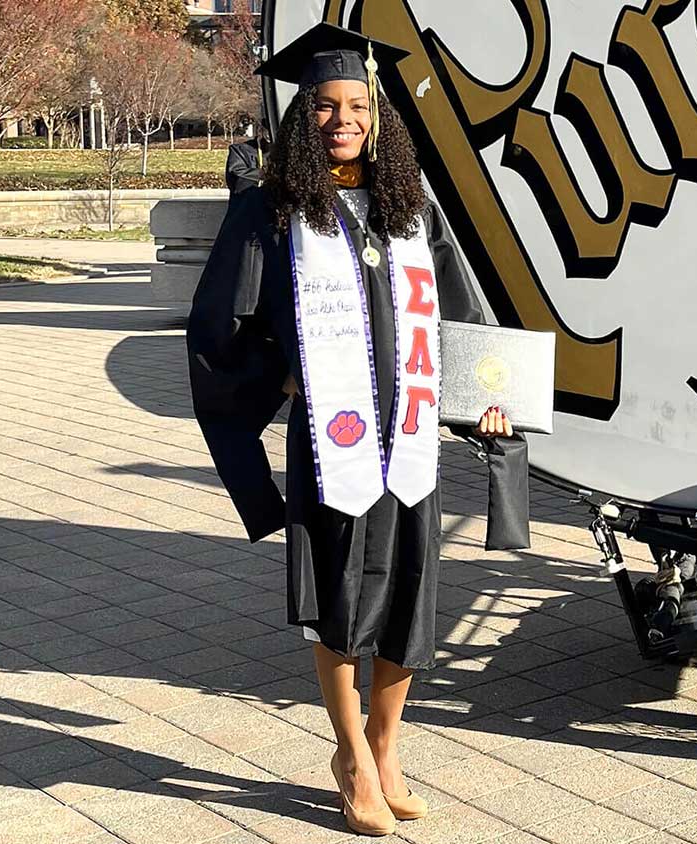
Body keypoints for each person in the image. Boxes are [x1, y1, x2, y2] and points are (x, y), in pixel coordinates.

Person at [185, 23, 530, 837]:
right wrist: (277, 374)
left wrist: (490, 395)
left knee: (411, 596)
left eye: (357, 105)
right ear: (302, 116)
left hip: (409, 435)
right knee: (339, 601)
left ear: (379, 115)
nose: (344, 119)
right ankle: (349, 756)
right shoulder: (268, 213)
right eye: (326, 106)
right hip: (333, 442)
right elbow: (221, 332)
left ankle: (385, 745)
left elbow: (461, 313)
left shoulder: (409, 208)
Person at [225, 128, 267, 194]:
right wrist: (263, 173)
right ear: (259, 130)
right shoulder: (240, 150)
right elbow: (236, 178)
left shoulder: (284, 152)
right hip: (249, 201)